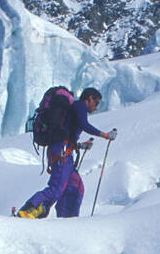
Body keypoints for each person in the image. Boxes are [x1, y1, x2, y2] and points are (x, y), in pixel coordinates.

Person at [15, 88, 117, 218]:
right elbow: (84, 124)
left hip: (64, 151)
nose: (96, 107)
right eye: (96, 103)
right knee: (57, 188)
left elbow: (69, 133)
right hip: (61, 152)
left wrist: (81, 145)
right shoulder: (80, 105)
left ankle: (67, 220)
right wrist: (106, 135)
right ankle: (28, 210)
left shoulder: (74, 109)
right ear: (89, 98)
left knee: (75, 187)